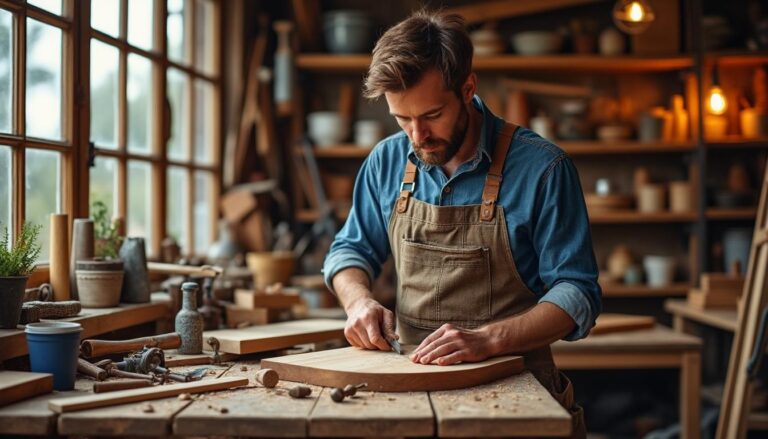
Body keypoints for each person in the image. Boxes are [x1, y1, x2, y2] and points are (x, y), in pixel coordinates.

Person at [322, 10, 600, 437]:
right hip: (409, 386)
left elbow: (577, 292)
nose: (416, 136)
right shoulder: (386, 160)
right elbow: (349, 251)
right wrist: (358, 301)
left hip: (518, 391)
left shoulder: (544, 168)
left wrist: (489, 340)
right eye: (402, 119)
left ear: (467, 88)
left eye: (431, 115)